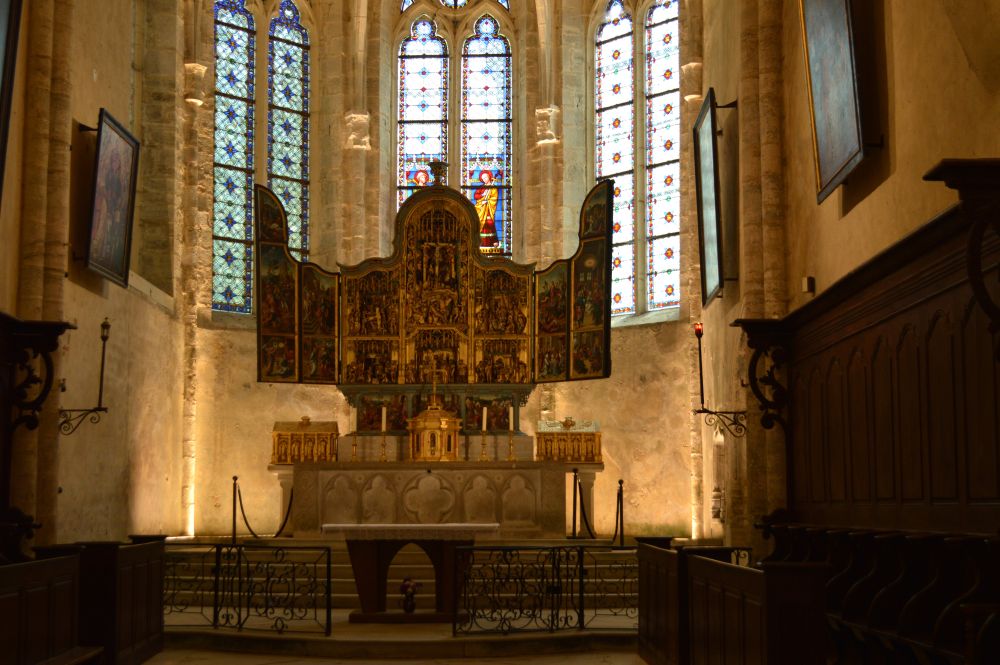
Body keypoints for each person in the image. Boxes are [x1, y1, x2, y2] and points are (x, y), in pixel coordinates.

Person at [473, 170, 499, 247]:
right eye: (483, 178)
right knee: (480, 223)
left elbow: (494, 198)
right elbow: (476, 196)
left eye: (485, 177)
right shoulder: (481, 188)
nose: (484, 179)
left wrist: (487, 201)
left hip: (488, 209)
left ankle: (493, 242)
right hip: (481, 208)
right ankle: (479, 242)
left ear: (489, 177)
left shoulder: (493, 188)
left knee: (489, 223)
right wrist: (482, 197)